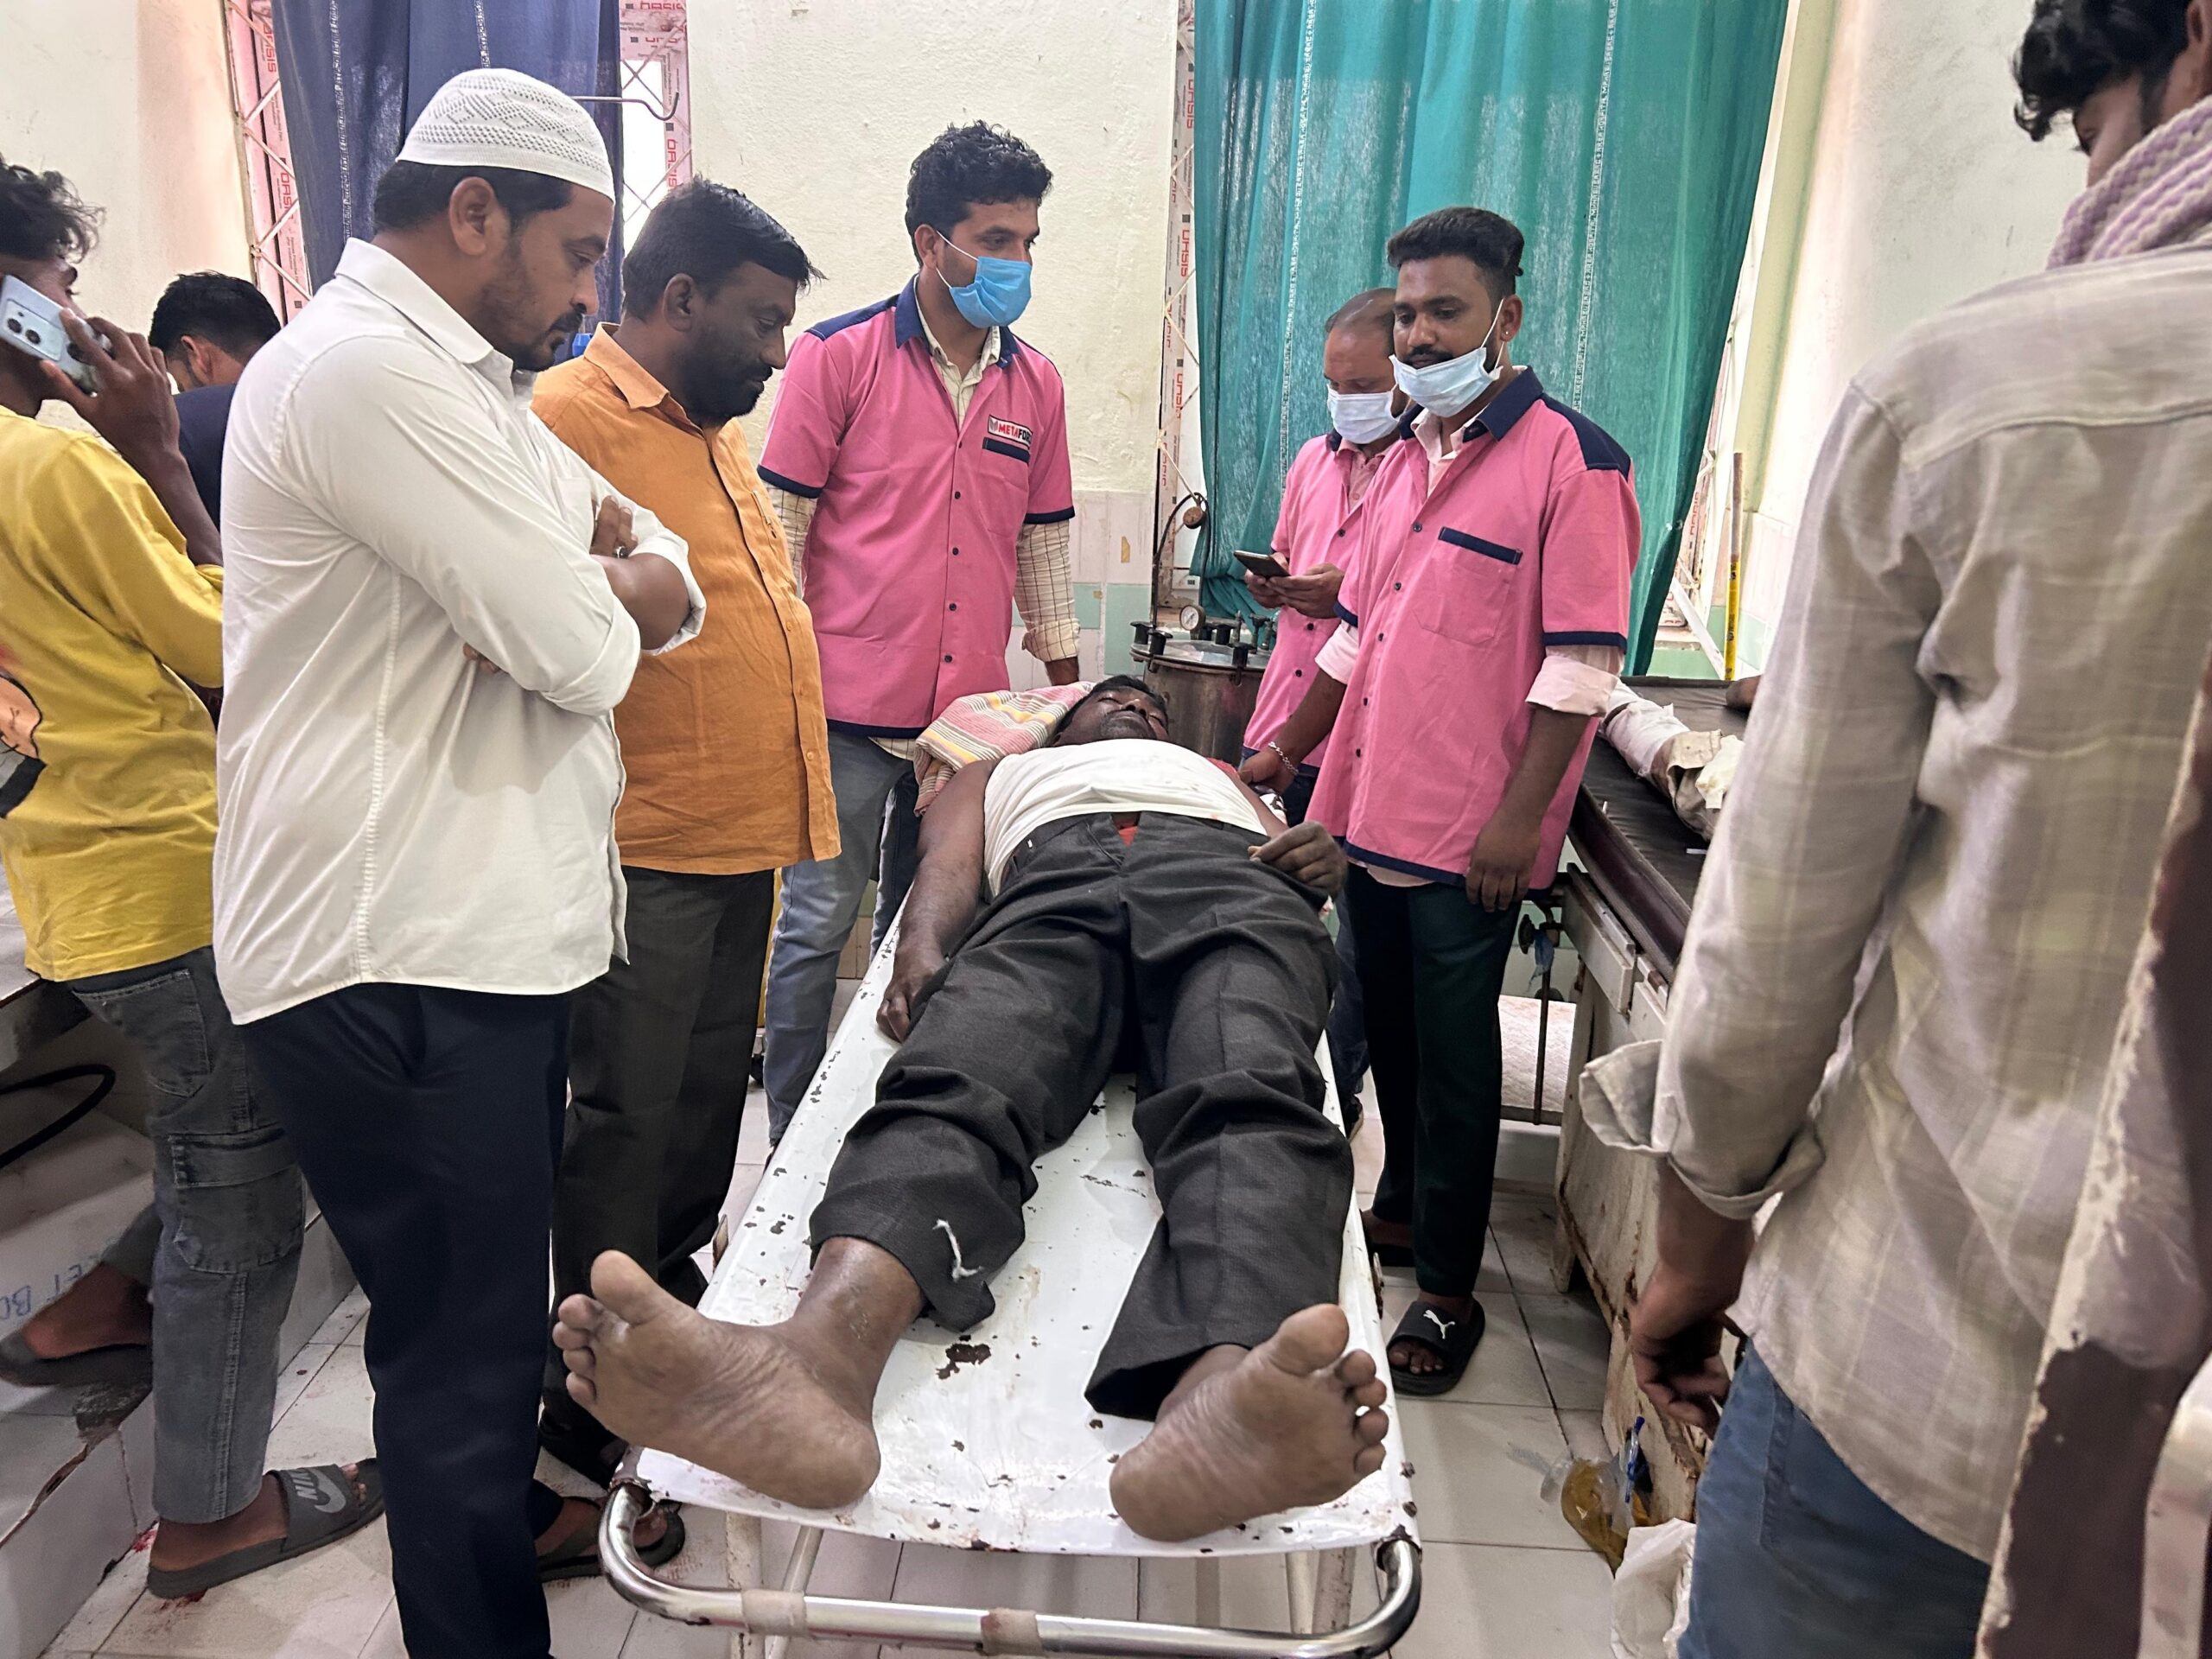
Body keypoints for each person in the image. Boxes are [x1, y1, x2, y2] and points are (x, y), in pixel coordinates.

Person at [1599, 3, 2212, 1654]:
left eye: (2097, 135)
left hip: (1933, 1384)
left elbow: (1776, 935)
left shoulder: (1975, 398)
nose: (2095, 184)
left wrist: (1697, 1241)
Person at [213, 70, 705, 1657]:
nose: (589, 295)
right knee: (458, 1363)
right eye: (578, 253)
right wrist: (595, 593)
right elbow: (586, 649)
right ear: (475, 211)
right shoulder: (365, 374)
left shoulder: (469, 387)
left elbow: (669, 570)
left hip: (459, 946)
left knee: (474, 1347)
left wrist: (606, 582)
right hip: (396, 951)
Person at [552, 677, 1392, 1543]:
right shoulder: (998, 773)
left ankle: (1230, 1389)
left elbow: (1303, 866)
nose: (1140, 712)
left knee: (1249, 1089)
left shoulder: (1220, 777)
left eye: (1153, 710)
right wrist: (921, 947)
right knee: (961, 1072)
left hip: (1229, 881)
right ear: (1059, 722)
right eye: (1115, 699)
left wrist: (1316, 869)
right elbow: (949, 864)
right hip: (1052, 882)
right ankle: (818, 1362)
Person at [0, 156, 380, 1597]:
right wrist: (160, 452)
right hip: (160, 880)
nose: (76, 316)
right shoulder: (52, 466)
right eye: (59, 287)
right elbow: (237, 647)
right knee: (241, 1188)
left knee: (223, 1133)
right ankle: (214, 1515)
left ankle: (86, 1310)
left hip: (72, 879)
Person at [1244, 207, 1639, 1397]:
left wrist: (1517, 825)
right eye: (1408, 314)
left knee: (1460, 1066)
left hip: (1471, 833)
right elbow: (1355, 636)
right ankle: (1408, 1212)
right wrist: (1285, 752)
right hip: (1366, 812)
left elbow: (1579, 668)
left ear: (1505, 318)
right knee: (1398, 1041)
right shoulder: (1406, 459)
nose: (1417, 337)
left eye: (1444, 313)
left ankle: (1451, 1292)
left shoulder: (1574, 462)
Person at [531, 179, 836, 1486]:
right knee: (627, 1115)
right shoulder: (564, 420)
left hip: (735, 836)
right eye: (762, 322)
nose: (778, 352)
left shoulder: (708, 432)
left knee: (709, 1100)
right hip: (643, 843)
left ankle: (670, 1313)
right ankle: (592, 1397)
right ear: (677, 299)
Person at [757, 119, 1079, 1143]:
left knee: (930, 924)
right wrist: (778, 687)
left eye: (1028, 241)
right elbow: (780, 534)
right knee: (816, 926)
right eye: (995, 240)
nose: (1017, 263)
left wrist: (1065, 704)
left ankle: (895, 1121)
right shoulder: (837, 357)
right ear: (929, 242)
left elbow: (1043, 553)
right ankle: (792, 1130)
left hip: (969, 729)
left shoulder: (1036, 387)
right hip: (844, 714)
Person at [1240, 285, 1405, 1129]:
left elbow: (1388, 606)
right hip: (1287, 718)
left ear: (1408, 377)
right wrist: (1276, 584)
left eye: (1365, 385)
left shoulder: (1423, 474)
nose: (1347, 403)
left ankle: (1328, 1100)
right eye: (1335, 384)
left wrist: (1340, 592)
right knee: (1271, 921)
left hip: (1363, 739)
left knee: (1358, 944)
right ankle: (1260, 1070)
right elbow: (1289, 559)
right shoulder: (1313, 460)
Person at [148, 270, 281, 523]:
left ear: (197, 355)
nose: (184, 395)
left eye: (180, 384)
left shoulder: (190, 431)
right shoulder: (310, 402)